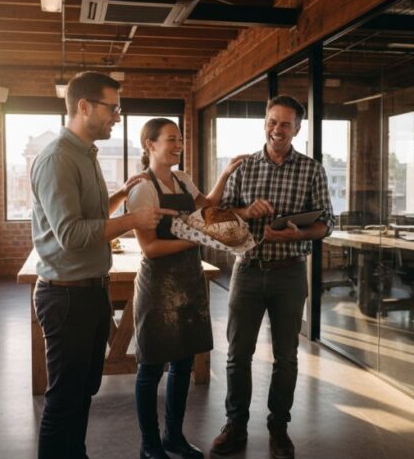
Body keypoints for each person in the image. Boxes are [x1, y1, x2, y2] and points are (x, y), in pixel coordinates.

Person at [30, 71, 176, 459]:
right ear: (84, 106)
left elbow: (88, 215)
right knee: (64, 401)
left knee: (83, 394)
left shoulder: (84, 153)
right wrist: (132, 219)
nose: (116, 116)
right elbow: (72, 235)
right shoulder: (59, 159)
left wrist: (121, 196)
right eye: (112, 108)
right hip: (66, 299)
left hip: (90, 292)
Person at [210, 95, 334, 459]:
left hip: (290, 274)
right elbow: (219, 216)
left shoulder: (312, 170)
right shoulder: (244, 168)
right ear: (265, 122)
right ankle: (235, 426)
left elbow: (327, 223)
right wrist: (247, 211)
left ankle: (278, 429)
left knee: (287, 358)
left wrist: (296, 234)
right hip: (247, 272)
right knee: (237, 355)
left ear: (297, 129)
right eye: (272, 121)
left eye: (285, 124)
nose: (276, 129)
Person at [126, 118, 245, 459]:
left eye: (180, 139)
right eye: (171, 140)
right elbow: (149, 248)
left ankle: (173, 437)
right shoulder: (142, 188)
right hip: (158, 287)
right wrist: (199, 238)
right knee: (150, 369)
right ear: (150, 144)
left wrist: (224, 176)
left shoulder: (181, 178)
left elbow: (205, 207)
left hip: (189, 282)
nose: (178, 145)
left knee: (182, 365)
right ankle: (150, 446)